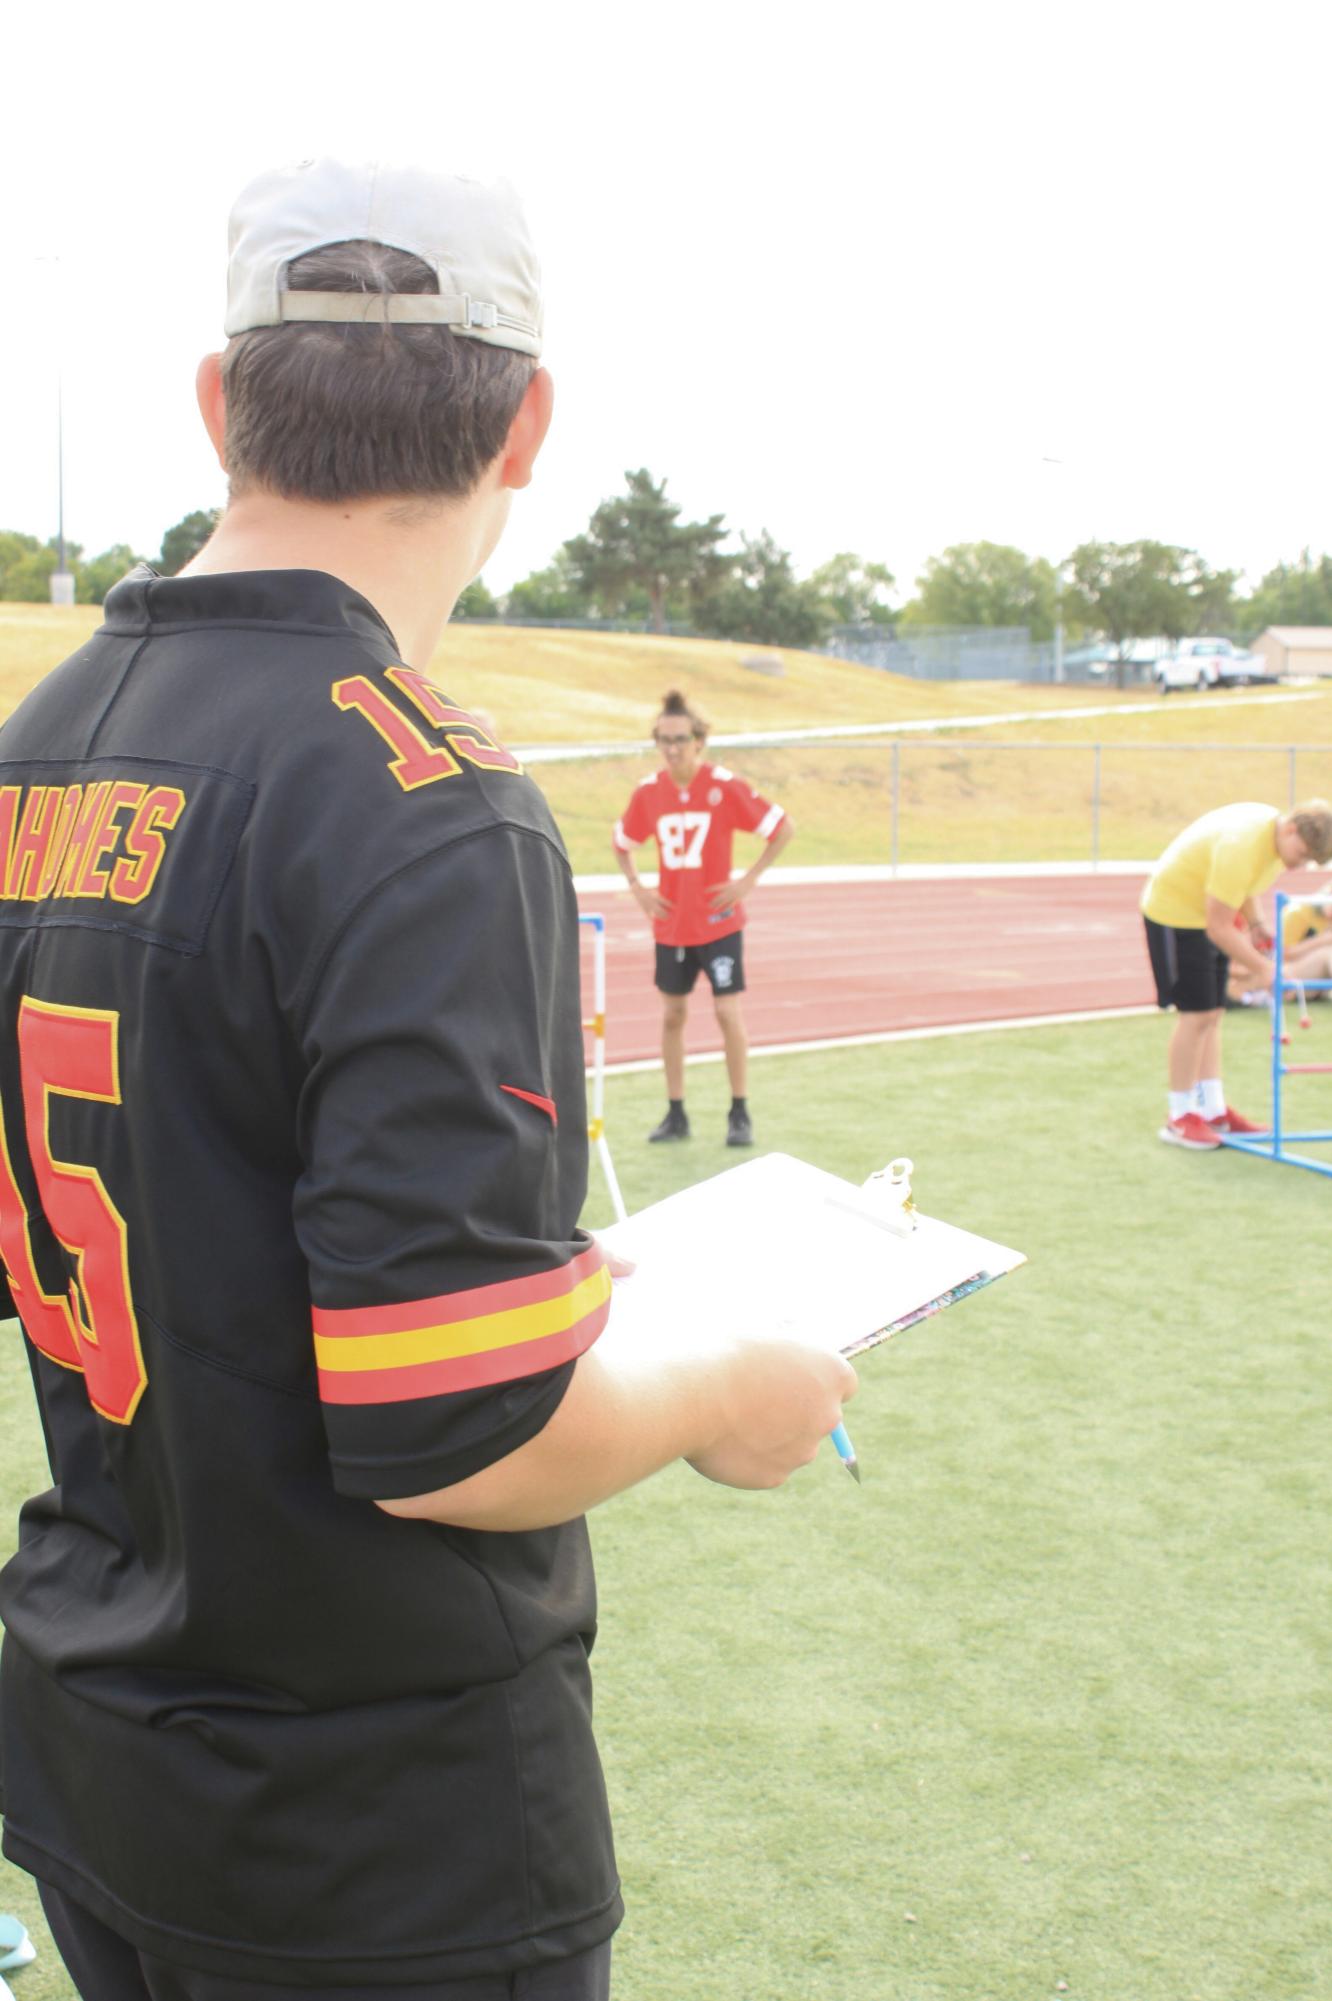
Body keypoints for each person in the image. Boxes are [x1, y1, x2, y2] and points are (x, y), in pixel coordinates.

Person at [0, 159, 855, 2001]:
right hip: (364, 1809)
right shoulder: (417, 797)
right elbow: (459, 1434)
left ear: (221, 403)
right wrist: (724, 1385)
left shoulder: (42, 740)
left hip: (108, 1734)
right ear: (526, 420)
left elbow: (190, 1197)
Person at [612, 691, 793, 1147]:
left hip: (719, 923)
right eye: (663, 739)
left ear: (699, 741)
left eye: (680, 739)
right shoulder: (649, 792)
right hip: (672, 924)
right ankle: (676, 1113)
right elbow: (621, 841)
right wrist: (638, 887)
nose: (672, 748)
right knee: (672, 1015)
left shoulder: (724, 786)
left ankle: (739, 1111)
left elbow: (781, 827)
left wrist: (746, 881)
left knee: (725, 1011)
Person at [1140, 799, 1332, 1148]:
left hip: (1202, 915)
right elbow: (1219, 926)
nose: (1299, 864)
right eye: (1301, 853)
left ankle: (1213, 1110)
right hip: (1175, 914)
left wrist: (1257, 923)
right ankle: (1179, 1117)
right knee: (1195, 1015)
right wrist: (1264, 969)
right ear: (1290, 828)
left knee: (1213, 1014)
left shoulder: (1271, 846)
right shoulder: (1242, 844)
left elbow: (1244, 888)